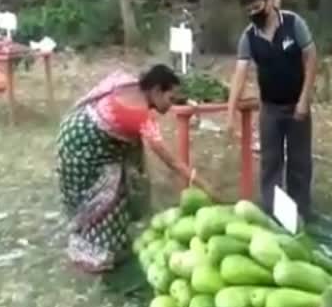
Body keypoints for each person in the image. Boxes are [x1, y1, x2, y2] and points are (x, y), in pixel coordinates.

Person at [56, 65, 216, 272]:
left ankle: (111, 239)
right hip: (82, 145)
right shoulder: (139, 115)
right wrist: (206, 187)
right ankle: (93, 251)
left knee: (123, 185)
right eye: (171, 99)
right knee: (109, 194)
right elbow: (173, 162)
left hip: (76, 129)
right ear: (157, 91)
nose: (171, 106)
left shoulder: (129, 82)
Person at [226, 0, 319, 220]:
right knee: (271, 163)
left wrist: (304, 100)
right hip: (269, 108)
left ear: (270, 0)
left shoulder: (293, 23)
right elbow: (240, 74)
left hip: (297, 105)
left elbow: (311, 59)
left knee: (299, 163)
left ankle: (302, 213)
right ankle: (275, 214)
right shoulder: (249, 37)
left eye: (257, 7)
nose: (254, 13)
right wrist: (230, 112)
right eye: (249, 11)